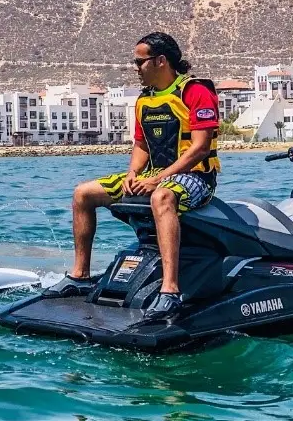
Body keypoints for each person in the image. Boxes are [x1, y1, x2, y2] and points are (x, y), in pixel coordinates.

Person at [64, 32, 220, 319]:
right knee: (82, 194)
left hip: (196, 177)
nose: (135, 68)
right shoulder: (144, 100)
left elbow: (200, 149)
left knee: (162, 197)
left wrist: (158, 180)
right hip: (153, 174)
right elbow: (140, 145)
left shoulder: (196, 91)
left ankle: (170, 290)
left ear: (161, 61)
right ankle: (79, 276)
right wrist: (132, 174)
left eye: (139, 62)